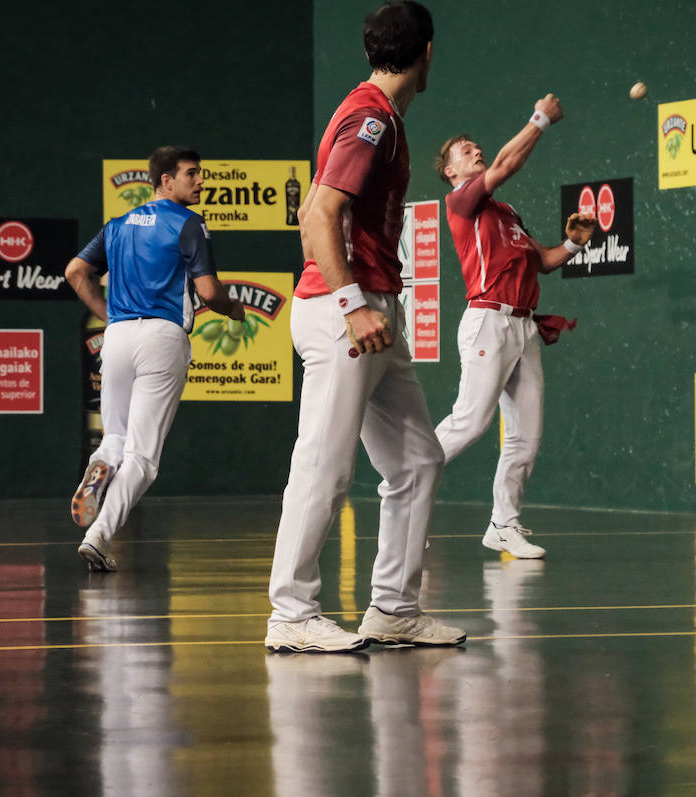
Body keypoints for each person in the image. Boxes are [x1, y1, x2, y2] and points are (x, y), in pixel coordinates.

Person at [265, 1, 464, 653]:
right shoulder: (370, 118)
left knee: (416, 459)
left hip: (373, 310)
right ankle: (290, 613)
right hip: (346, 314)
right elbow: (321, 212)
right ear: (428, 52)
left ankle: (394, 609)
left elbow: (306, 209)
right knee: (324, 465)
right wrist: (349, 304)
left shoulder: (380, 117)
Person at [431, 96, 596, 559]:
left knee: (526, 432)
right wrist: (540, 120)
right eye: (463, 150)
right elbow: (504, 164)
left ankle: (504, 524)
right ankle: (404, 482)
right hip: (487, 321)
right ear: (450, 171)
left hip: (523, 330)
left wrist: (574, 244)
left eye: (474, 146)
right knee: (471, 422)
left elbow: (543, 261)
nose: (474, 150)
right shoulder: (461, 201)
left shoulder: (506, 214)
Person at [64, 146, 243, 571]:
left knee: (114, 439)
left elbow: (74, 271)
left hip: (119, 336)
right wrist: (233, 308)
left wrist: (110, 318)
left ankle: (103, 464)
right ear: (166, 180)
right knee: (143, 458)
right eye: (192, 174)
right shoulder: (189, 224)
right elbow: (208, 293)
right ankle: (99, 535)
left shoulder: (118, 224)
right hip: (162, 337)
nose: (201, 182)